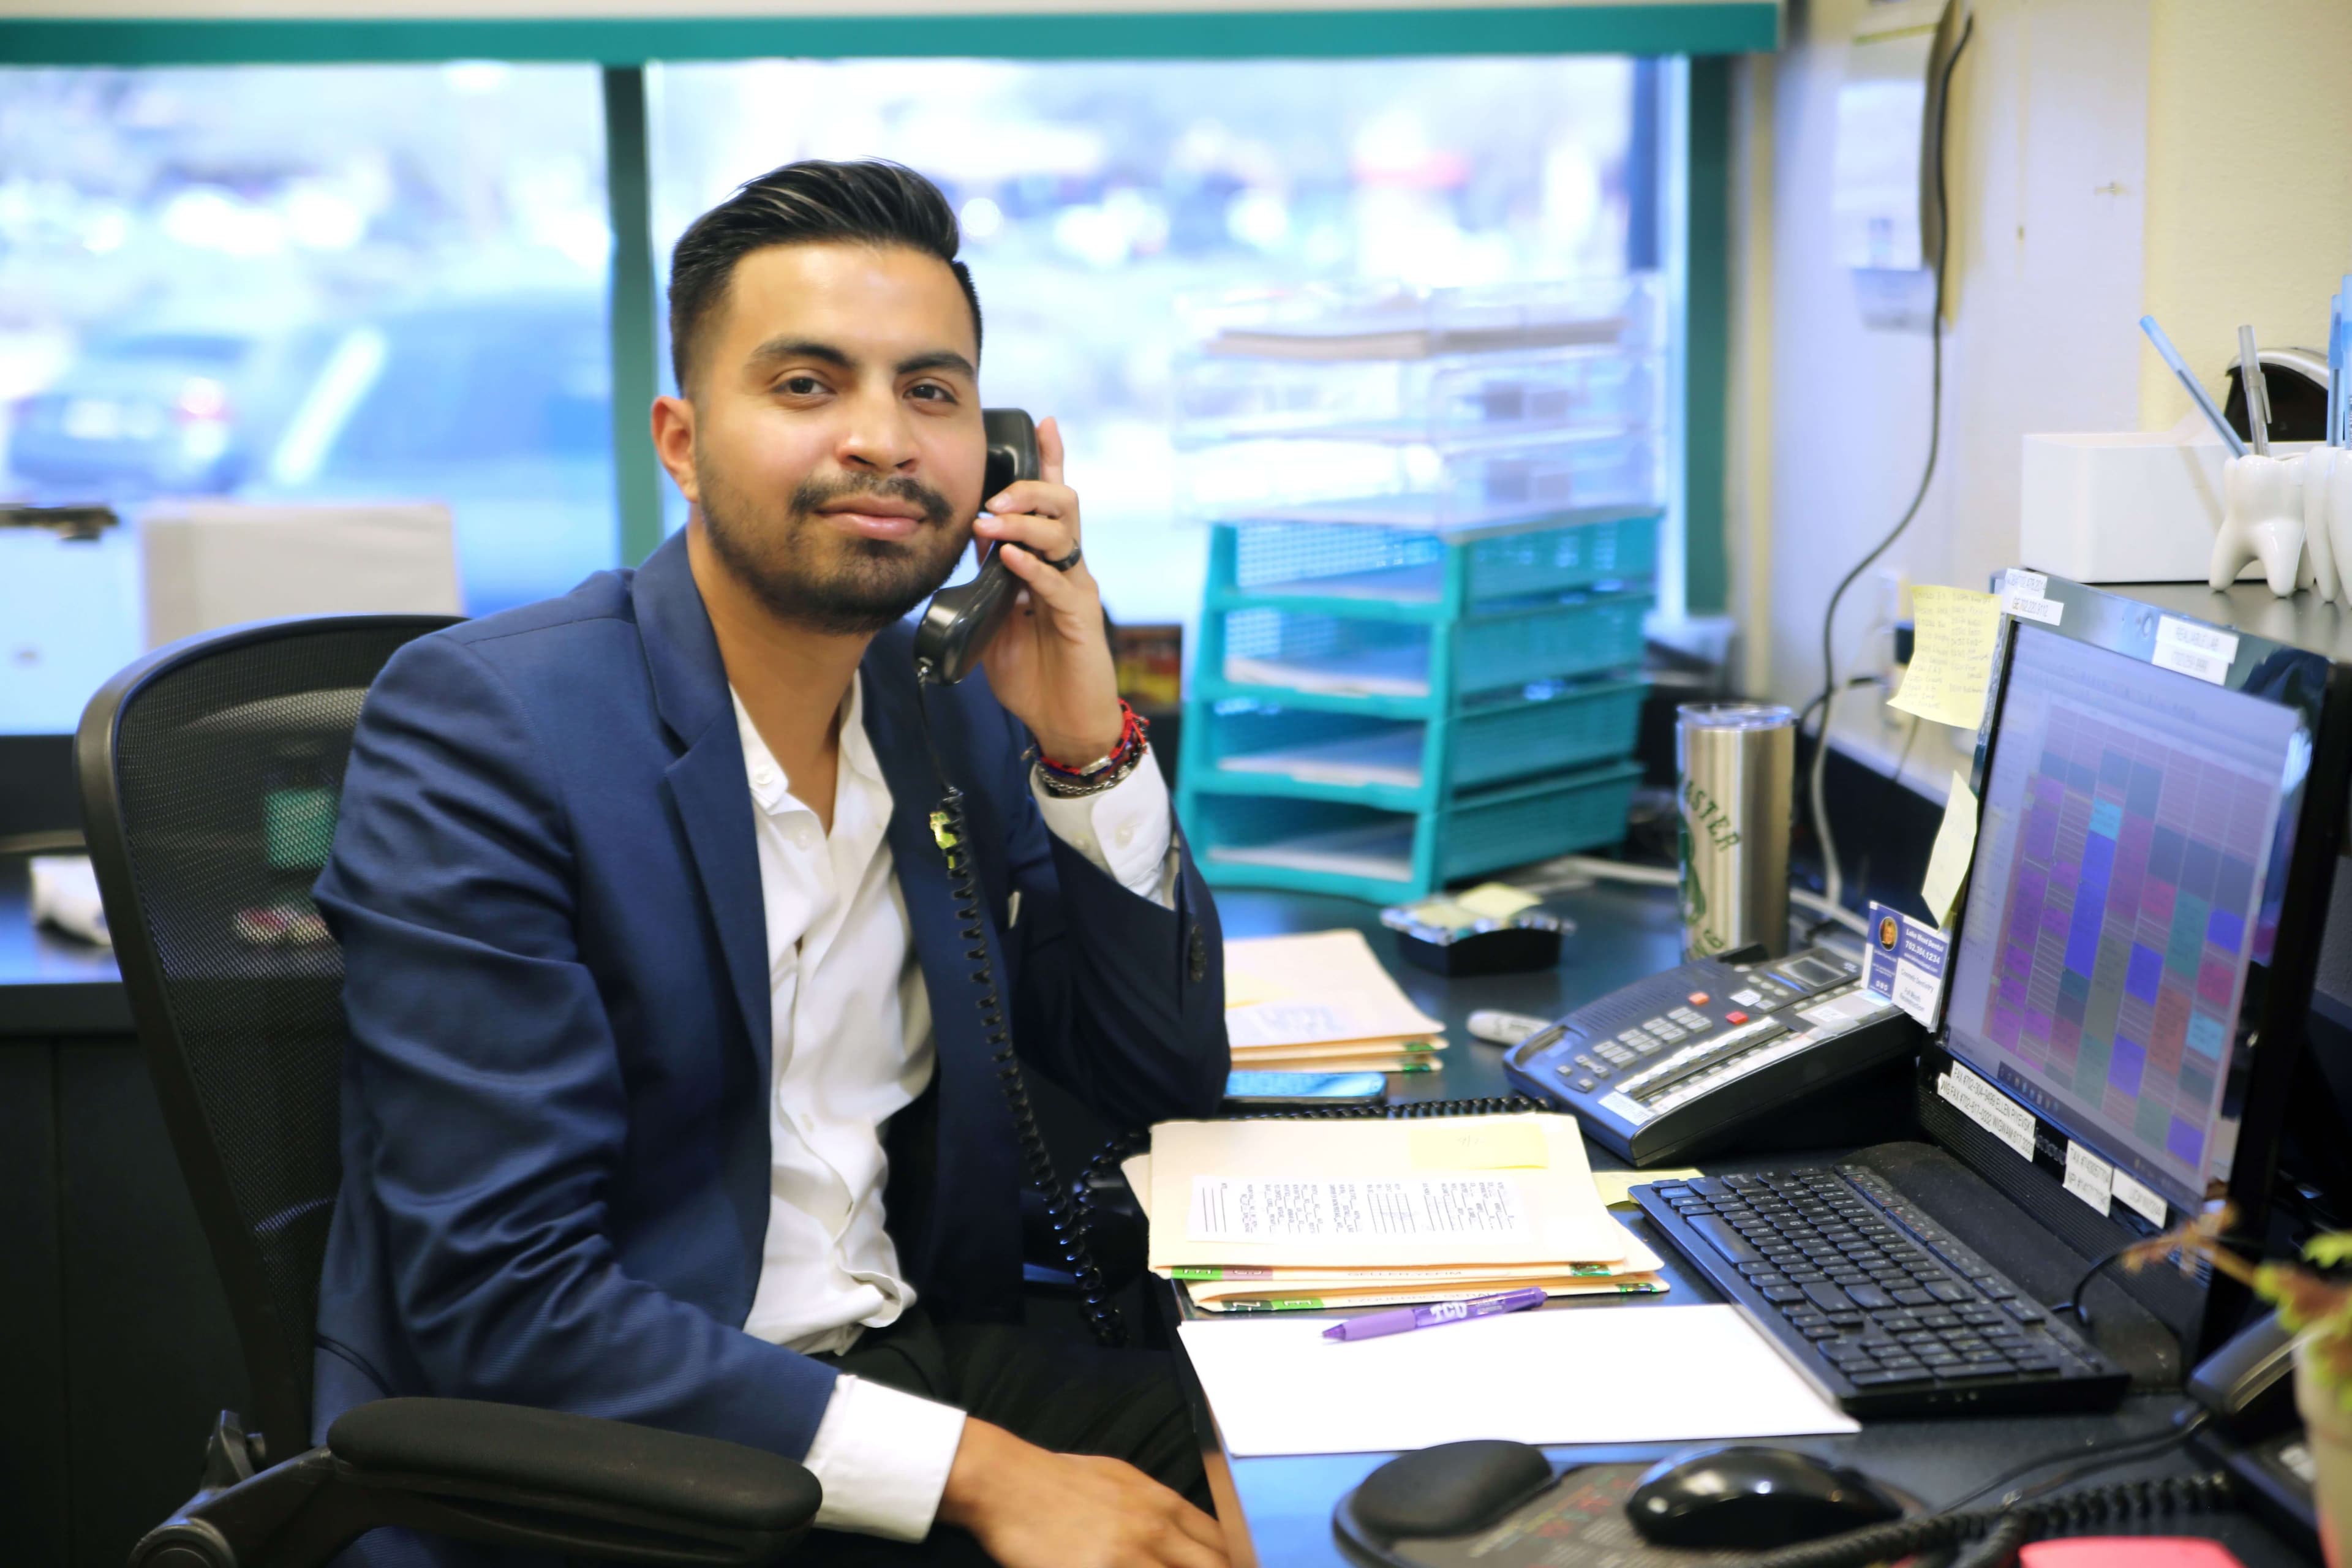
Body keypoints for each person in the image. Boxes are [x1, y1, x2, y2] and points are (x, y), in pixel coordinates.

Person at [311, 158, 1231, 1568]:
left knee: (1323, 1468)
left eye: (931, 392)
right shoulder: (491, 725)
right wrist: (983, 1476)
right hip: (615, 1453)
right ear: (681, 441)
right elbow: (500, 1295)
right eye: (807, 385)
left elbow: (1154, 1080)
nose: (882, 437)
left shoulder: (943, 707)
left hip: (904, 1358)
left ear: (995, 453)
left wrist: (1085, 746)